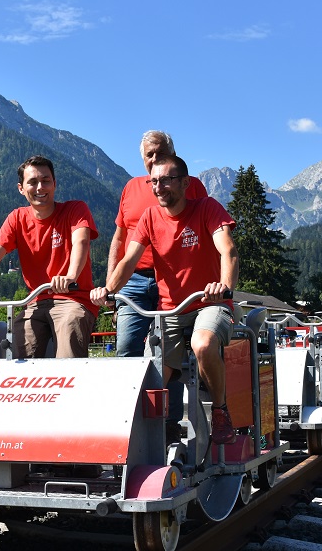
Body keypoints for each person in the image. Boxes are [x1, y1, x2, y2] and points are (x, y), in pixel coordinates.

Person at [91, 154, 239, 445]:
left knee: (202, 344)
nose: (159, 187)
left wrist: (223, 287)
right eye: (154, 181)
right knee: (152, 373)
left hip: (209, 303)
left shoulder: (207, 208)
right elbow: (129, 260)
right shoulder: (149, 217)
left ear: (185, 183)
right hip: (170, 309)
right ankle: (152, 437)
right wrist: (108, 290)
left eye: (167, 180)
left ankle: (220, 411)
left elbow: (228, 251)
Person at [107, 130, 208, 442]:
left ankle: (169, 426)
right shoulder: (131, 187)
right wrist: (111, 288)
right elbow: (119, 239)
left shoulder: (192, 186)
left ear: (173, 155)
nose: (154, 159)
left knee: (168, 354)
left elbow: (204, 229)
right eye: (149, 155)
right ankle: (126, 424)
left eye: (160, 153)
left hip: (175, 279)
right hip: (134, 280)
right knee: (127, 347)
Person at [0, 155, 98, 358]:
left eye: (46, 180)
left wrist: (71, 276)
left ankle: (69, 377)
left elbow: (80, 241)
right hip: (36, 301)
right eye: (33, 182)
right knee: (21, 338)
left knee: (70, 326)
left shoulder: (75, 209)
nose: (40, 187)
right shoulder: (17, 218)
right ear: (21, 188)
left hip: (72, 298)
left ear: (54, 184)